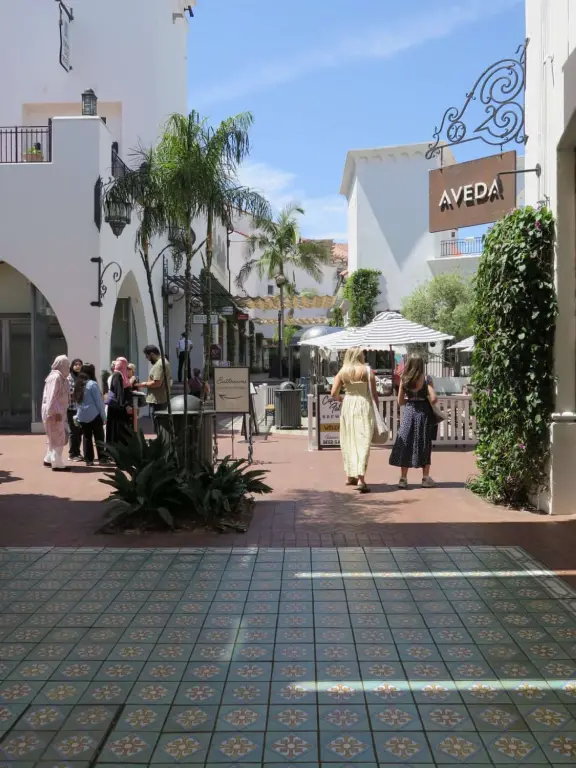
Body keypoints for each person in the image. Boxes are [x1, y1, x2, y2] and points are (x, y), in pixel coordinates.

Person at [330, 347, 378, 493]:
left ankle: (350, 476)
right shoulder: (368, 370)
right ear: (360, 355)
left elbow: (333, 393)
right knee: (363, 441)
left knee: (349, 440)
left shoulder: (343, 371)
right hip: (363, 404)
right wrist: (377, 410)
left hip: (348, 405)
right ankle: (361, 479)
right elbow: (374, 394)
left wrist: (341, 399)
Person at [389, 354, 438, 488]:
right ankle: (425, 478)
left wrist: (410, 400)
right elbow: (434, 398)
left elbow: (400, 401)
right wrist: (424, 399)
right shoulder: (427, 379)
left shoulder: (405, 380)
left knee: (406, 443)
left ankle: (403, 478)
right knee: (424, 443)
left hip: (409, 413)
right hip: (423, 414)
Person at [42, 355, 71, 471]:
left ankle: (49, 459)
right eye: (66, 366)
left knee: (53, 437)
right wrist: (53, 412)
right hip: (55, 412)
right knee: (59, 436)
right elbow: (51, 396)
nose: (68, 368)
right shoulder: (56, 378)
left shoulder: (61, 378)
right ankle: (57, 462)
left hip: (57, 411)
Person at [74, 363, 107, 466]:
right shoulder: (92, 384)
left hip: (83, 415)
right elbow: (99, 402)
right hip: (94, 414)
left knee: (87, 437)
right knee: (99, 437)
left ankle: (89, 460)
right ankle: (102, 458)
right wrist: (103, 416)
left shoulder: (78, 384)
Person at [136, 345, 172, 428]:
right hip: (159, 399)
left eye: (147, 356)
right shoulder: (161, 362)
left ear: (152, 354)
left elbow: (157, 383)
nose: (147, 359)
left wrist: (143, 384)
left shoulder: (160, 364)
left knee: (159, 425)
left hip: (159, 400)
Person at [106, 357, 132, 444]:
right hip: (117, 408)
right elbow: (119, 392)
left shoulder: (120, 375)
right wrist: (125, 405)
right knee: (116, 429)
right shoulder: (118, 375)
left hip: (116, 407)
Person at [67, 358, 83, 461]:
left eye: (79, 364)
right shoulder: (69, 378)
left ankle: (77, 452)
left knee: (80, 431)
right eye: (76, 364)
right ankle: (72, 453)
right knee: (74, 431)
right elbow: (69, 393)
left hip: (81, 409)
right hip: (71, 408)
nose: (78, 366)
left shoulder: (81, 378)